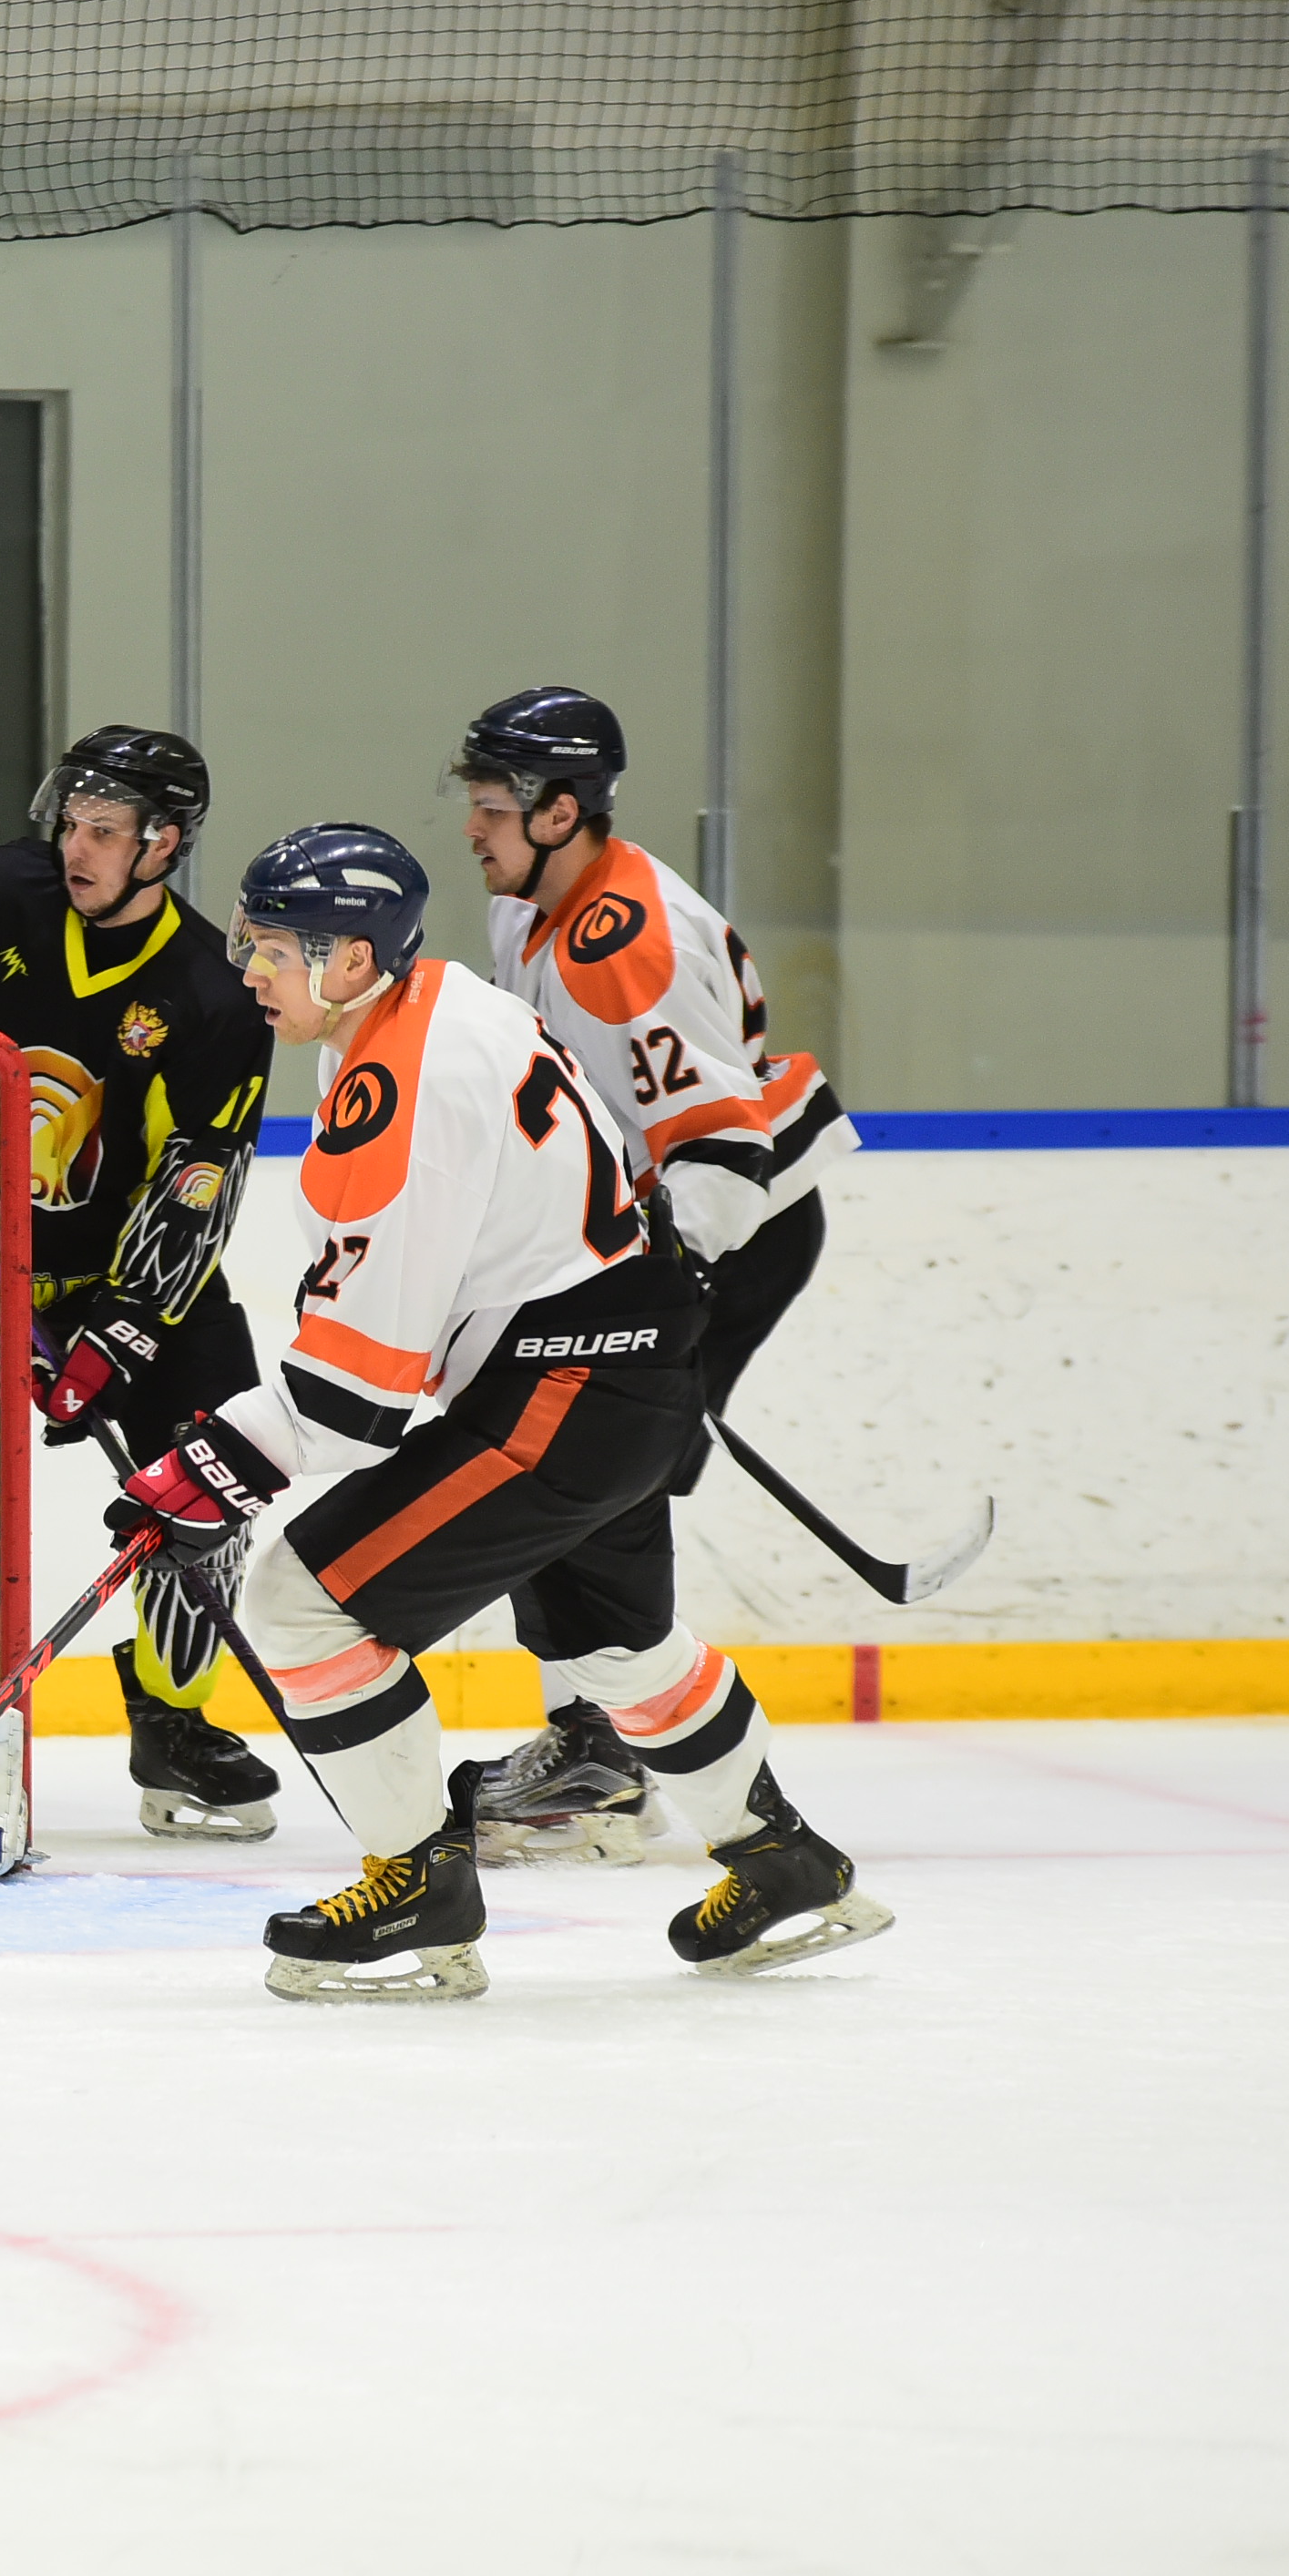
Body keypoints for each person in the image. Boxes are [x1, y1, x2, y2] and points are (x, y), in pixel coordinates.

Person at [103, 823, 892, 2000]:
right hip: (626, 1360)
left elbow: (358, 1396)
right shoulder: (441, 1002)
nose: (249, 969)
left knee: (303, 1605)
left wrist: (214, 1463)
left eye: (274, 947)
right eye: (248, 941)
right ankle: (784, 1861)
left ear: (353, 957)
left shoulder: (402, 1084)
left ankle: (416, 1885)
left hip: (564, 1390)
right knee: (617, 1647)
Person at [0, 724, 279, 1839]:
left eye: (104, 830)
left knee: (213, 1472)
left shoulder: (214, 991)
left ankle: (173, 1718)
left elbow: (198, 1181)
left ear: (163, 844)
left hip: (117, 1272)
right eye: (71, 822)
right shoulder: (4, 889)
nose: (74, 847)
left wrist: (124, 1327)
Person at [449, 689, 860, 1866]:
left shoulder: (627, 945)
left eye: (493, 805)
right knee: (561, 1455)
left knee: (591, 1465)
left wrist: (659, 1298)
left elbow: (723, 1155)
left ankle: (602, 1754)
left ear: (561, 810)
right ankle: (596, 1742)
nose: (473, 826)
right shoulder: (530, 906)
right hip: (633, 1231)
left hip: (725, 1231)